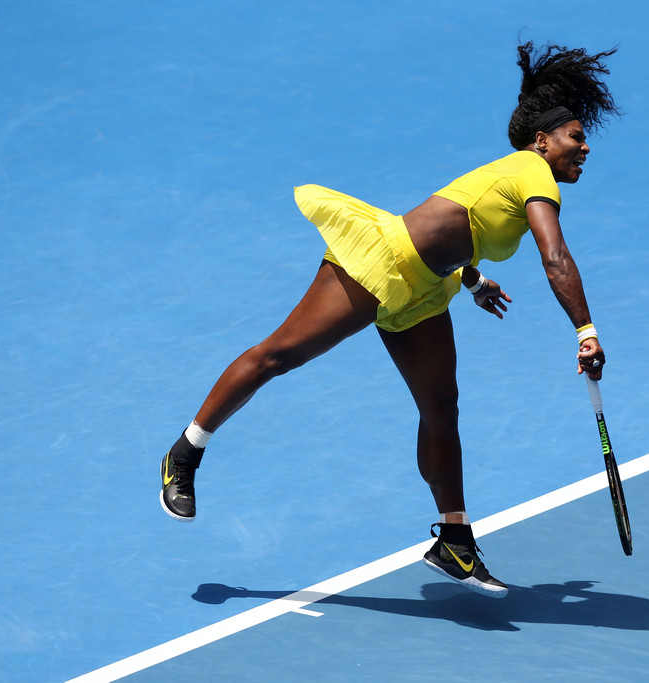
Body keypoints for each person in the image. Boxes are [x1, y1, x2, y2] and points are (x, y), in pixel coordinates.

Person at [160, 41, 620, 599]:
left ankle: (454, 540)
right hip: (381, 262)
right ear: (542, 141)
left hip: (426, 289)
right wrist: (586, 332)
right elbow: (556, 257)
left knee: (441, 408)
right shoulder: (532, 171)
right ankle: (185, 453)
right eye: (576, 136)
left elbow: (457, 229)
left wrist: (472, 281)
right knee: (279, 356)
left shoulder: (516, 176)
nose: (585, 146)